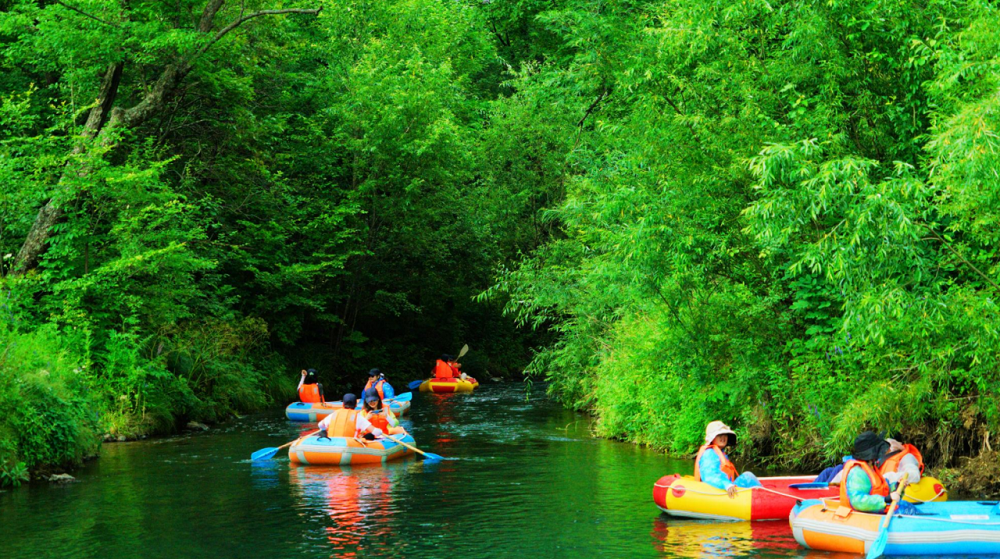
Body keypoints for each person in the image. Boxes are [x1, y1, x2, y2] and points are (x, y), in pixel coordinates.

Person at [841, 431, 919, 515]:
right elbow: (857, 501)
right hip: (863, 514)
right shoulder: (858, 472)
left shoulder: (871, 466)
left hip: (876, 509)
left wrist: (897, 485)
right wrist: (885, 499)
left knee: (908, 508)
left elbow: (882, 489)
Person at [693, 421, 762, 498]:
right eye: (719, 435)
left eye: (725, 434)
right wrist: (727, 484)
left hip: (723, 488)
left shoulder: (720, 452)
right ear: (712, 438)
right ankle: (765, 499)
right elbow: (710, 476)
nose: (723, 437)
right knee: (747, 477)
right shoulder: (709, 453)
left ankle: (763, 497)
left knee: (748, 476)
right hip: (716, 492)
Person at [316, 393, 383, 439]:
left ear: (343, 404)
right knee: (370, 436)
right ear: (356, 405)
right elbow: (376, 432)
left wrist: (327, 429)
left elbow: (320, 425)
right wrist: (381, 432)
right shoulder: (357, 416)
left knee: (322, 432)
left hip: (332, 443)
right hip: (348, 445)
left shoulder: (334, 413)